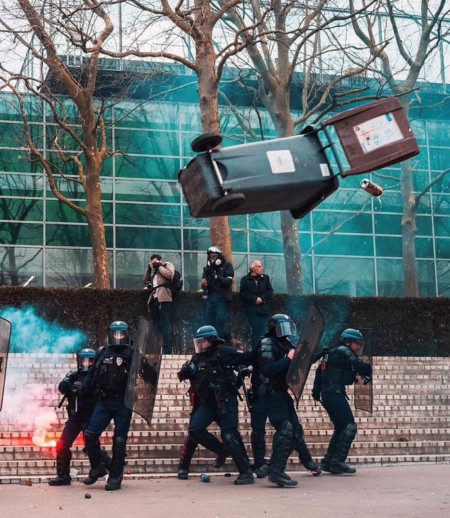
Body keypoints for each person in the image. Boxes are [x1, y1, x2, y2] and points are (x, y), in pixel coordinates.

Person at [177, 325, 254, 485]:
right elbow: (187, 373)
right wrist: (185, 372)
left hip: (226, 400)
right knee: (195, 429)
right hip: (207, 401)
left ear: (211, 340)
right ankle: (221, 450)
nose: (200, 344)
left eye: (203, 341)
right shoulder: (197, 357)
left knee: (229, 435)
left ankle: (246, 472)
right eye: (198, 341)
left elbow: (242, 359)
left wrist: (246, 364)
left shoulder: (225, 352)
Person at [257, 314, 321, 487]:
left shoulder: (285, 344)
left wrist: (317, 352)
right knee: (285, 429)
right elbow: (268, 369)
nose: (286, 331)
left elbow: (299, 363)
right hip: (270, 392)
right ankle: (276, 471)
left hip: (281, 392)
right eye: (282, 327)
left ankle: (273, 466)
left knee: (295, 431)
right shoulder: (267, 343)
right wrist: (288, 358)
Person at [81, 321, 135, 491]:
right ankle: (97, 466)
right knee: (90, 435)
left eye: (121, 334)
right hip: (104, 401)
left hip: (123, 403)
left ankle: (115, 475)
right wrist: (84, 388)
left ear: (126, 335)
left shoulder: (133, 354)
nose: (118, 337)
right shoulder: (103, 352)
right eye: (115, 334)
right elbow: (92, 373)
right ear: (110, 334)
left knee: (119, 440)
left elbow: (146, 375)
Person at [312, 328, 372, 475]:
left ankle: (328, 462)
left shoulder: (331, 352)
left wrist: (316, 392)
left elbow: (319, 372)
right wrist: (369, 368)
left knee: (340, 428)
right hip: (335, 394)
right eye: (356, 343)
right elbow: (361, 367)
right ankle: (338, 462)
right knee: (349, 427)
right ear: (348, 342)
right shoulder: (344, 352)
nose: (358, 347)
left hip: (328, 394)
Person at [48, 348, 110, 486]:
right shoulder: (74, 375)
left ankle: (111, 468)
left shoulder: (96, 377)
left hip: (89, 416)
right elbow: (62, 388)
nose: (87, 363)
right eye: (84, 360)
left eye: (90, 361)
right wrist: (68, 378)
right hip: (75, 418)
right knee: (62, 444)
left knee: (91, 446)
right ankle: (63, 476)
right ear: (80, 361)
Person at [144, 254, 175, 354]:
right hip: (155, 300)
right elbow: (145, 280)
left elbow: (170, 275)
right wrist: (149, 269)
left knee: (165, 325)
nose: (154, 264)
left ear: (161, 260)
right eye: (152, 262)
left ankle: (167, 351)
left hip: (164, 299)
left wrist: (159, 266)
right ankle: (158, 349)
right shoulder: (155, 273)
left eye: (155, 261)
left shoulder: (167, 265)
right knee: (157, 326)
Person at [201, 246, 234, 342]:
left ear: (219, 256)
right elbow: (205, 285)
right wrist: (204, 284)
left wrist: (216, 277)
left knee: (221, 321)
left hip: (223, 298)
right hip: (211, 298)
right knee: (209, 321)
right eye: (210, 256)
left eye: (214, 256)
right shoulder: (208, 268)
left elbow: (228, 281)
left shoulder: (227, 265)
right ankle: (214, 343)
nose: (212, 258)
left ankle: (224, 341)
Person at [239, 260, 273, 348]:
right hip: (252, 310)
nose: (261, 268)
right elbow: (243, 293)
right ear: (252, 269)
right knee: (256, 331)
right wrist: (254, 299)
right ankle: (255, 350)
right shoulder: (245, 279)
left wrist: (262, 299)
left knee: (264, 331)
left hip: (263, 309)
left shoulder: (265, 278)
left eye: (261, 266)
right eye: (259, 266)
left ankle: (264, 350)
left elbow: (269, 290)